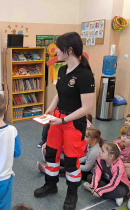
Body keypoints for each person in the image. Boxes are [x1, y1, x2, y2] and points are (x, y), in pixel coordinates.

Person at [33, 32, 95, 210]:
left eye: (59, 49)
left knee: (70, 160)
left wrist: (64, 120)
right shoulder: (61, 69)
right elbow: (59, 94)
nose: (56, 53)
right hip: (57, 119)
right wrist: (51, 108)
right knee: (51, 154)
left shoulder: (85, 75)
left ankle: (71, 193)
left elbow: (86, 108)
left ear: (69, 50)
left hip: (73, 124)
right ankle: (50, 185)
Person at [83, 142, 130, 207]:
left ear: (111, 156)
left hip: (119, 184)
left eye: (102, 151)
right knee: (90, 177)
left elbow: (113, 184)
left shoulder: (119, 166)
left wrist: (99, 191)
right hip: (107, 180)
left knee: (122, 191)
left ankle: (94, 191)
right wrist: (94, 185)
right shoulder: (100, 159)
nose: (99, 151)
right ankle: (113, 196)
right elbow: (97, 173)